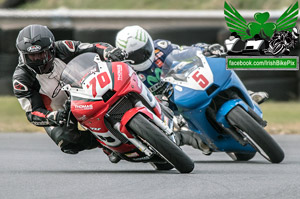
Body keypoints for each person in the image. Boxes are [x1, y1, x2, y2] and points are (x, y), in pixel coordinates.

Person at [115, 25, 269, 154]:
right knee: (171, 130)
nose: (141, 56)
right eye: (135, 55)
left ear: (149, 42)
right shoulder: (128, 72)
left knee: (213, 76)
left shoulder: (160, 47)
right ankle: (196, 140)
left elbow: (184, 51)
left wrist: (205, 48)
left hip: (183, 84)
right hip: (164, 105)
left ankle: (246, 95)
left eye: (144, 50)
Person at [13, 24, 126, 162]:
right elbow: (33, 113)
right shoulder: (22, 80)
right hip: (61, 110)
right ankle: (104, 142)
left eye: (41, 54)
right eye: (32, 56)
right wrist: (53, 116)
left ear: (52, 49)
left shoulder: (64, 47)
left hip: (88, 86)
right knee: (66, 142)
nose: (38, 60)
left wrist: (109, 51)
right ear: (23, 56)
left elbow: (94, 47)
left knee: (119, 73)